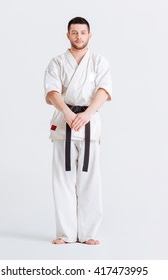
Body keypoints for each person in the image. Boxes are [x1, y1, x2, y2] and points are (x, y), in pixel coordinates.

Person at [44, 17, 112, 245]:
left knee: (90, 178)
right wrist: (68, 113)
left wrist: (87, 114)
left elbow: (103, 91)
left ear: (89, 35)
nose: (79, 37)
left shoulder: (99, 62)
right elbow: (52, 92)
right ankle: (65, 233)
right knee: (62, 179)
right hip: (64, 123)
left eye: (83, 33)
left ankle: (88, 233)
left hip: (89, 123)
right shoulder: (57, 63)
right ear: (68, 35)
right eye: (74, 33)